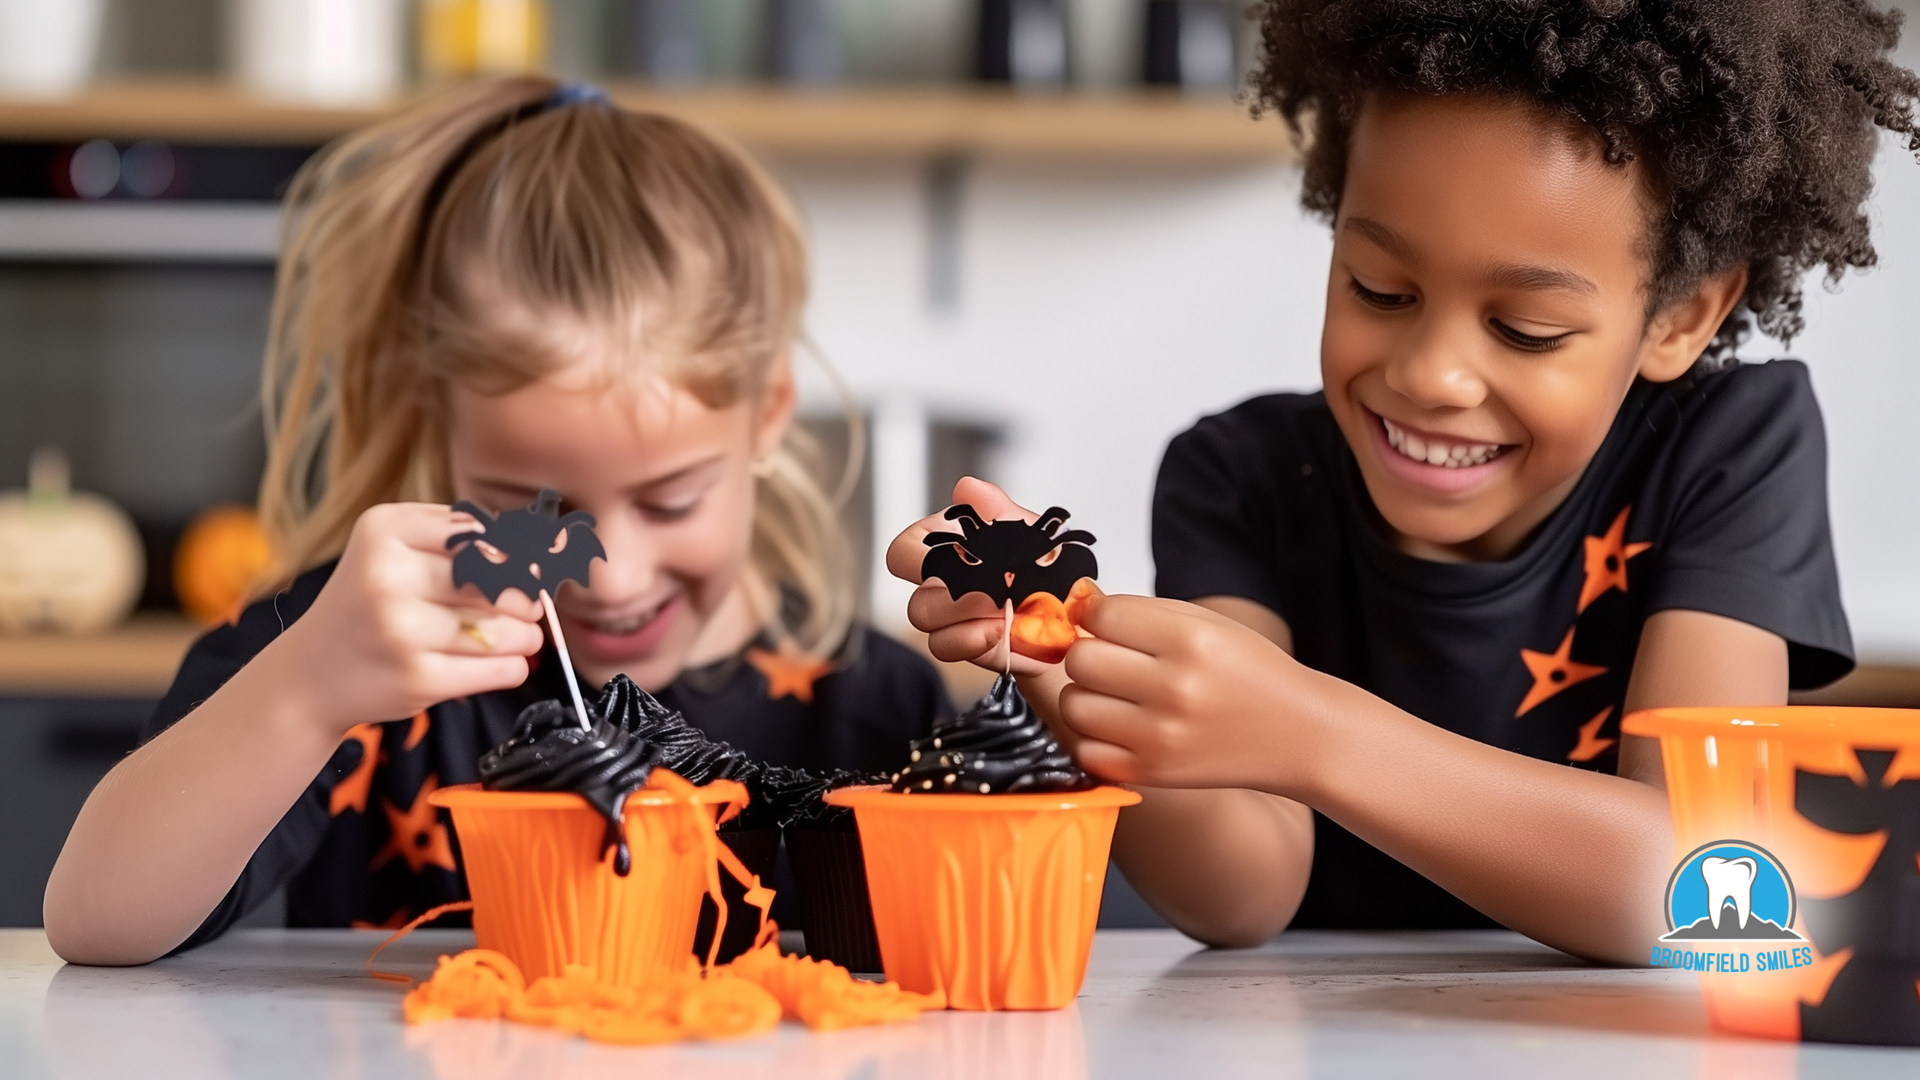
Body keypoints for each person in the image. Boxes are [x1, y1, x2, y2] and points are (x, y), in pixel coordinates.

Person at [891, 0, 1920, 965]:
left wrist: (1312, 731)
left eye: (1527, 328)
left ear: (1680, 317)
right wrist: (1067, 669)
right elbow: (1243, 890)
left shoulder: (1733, 448)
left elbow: (1703, 882)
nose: (1429, 374)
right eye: (1379, 289)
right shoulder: (1242, 476)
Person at [46, 78, 950, 966]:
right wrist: (306, 689)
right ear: (436, 431)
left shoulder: (873, 708)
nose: (612, 575)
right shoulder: (358, 661)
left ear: (767, 414)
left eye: (671, 500)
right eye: (532, 511)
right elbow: (95, 920)